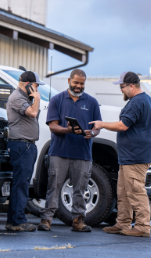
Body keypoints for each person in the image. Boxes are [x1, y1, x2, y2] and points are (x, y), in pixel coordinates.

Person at [90, 71, 151, 237]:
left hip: (135, 156)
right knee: (124, 190)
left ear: (131, 86)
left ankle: (142, 226)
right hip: (131, 155)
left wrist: (102, 124)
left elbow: (123, 125)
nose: (121, 90)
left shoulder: (136, 102)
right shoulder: (146, 99)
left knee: (135, 191)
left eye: (122, 86)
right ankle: (123, 223)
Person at [37, 69, 101, 232]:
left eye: (82, 83)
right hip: (59, 152)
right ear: (69, 81)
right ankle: (47, 219)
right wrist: (68, 130)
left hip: (83, 153)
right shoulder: (57, 100)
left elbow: (97, 127)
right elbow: (52, 126)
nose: (79, 86)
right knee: (54, 186)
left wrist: (92, 133)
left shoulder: (92, 102)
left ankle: (78, 221)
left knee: (80, 188)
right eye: (76, 82)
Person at [5, 70, 45, 232]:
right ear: (28, 84)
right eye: (36, 85)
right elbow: (33, 113)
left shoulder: (25, 98)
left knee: (21, 183)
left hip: (27, 146)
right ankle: (17, 221)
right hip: (21, 146)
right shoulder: (17, 98)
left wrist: (33, 98)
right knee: (20, 184)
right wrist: (37, 98)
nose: (37, 89)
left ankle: (14, 220)